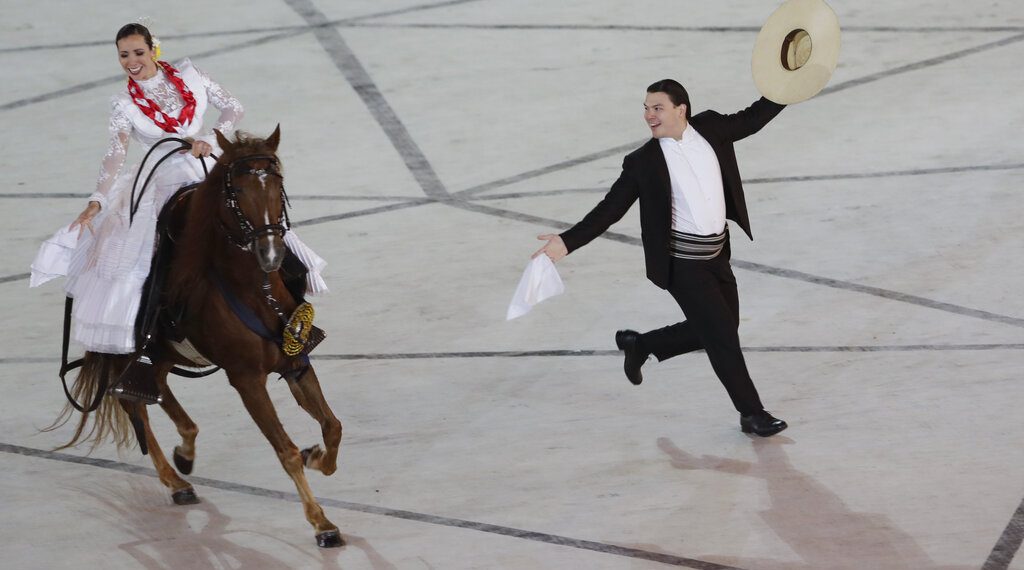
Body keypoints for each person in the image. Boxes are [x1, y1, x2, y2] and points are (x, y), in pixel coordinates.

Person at [30, 23, 327, 355]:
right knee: (144, 253)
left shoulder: (189, 74)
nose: (131, 61)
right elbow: (116, 153)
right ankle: (148, 342)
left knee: (263, 219)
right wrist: (97, 200)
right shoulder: (123, 103)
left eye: (138, 53)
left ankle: (291, 305)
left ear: (153, 50)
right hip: (163, 174)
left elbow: (232, 106)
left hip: (208, 163)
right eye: (123, 55)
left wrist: (212, 137)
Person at [534, 79, 788, 437]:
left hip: (717, 255)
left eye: (657, 108)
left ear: (680, 109)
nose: (648, 115)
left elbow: (754, 117)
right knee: (722, 338)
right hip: (682, 264)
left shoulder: (712, 128)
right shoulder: (643, 162)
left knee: (720, 328)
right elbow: (610, 209)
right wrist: (567, 242)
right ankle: (752, 413)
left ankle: (643, 345)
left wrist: (789, 86)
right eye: (646, 108)